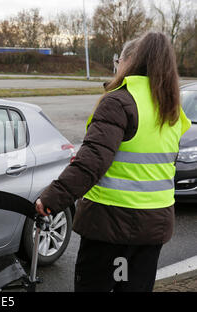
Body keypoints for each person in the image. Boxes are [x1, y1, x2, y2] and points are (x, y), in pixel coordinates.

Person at [35, 32, 191, 292]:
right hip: (153, 225)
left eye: (118, 61)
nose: (116, 66)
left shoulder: (119, 102)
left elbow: (92, 161)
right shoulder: (171, 109)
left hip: (112, 224)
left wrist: (52, 198)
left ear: (130, 61)